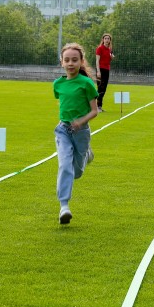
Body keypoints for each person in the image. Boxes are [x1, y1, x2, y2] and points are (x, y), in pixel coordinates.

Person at [53, 43, 99, 224]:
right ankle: (64, 206)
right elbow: (63, 102)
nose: (70, 63)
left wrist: (80, 121)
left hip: (81, 132)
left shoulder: (86, 83)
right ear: (62, 62)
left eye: (74, 60)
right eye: (67, 60)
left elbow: (94, 111)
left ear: (81, 62)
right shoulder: (57, 84)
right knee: (65, 166)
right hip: (63, 130)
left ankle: (86, 154)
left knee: (77, 172)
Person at [95, 33, 114, 113]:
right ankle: (96, 106)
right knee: (100, 88)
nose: (107, 40)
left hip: (107, 70)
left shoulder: (110, 50)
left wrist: (111, 57)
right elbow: (97, 61)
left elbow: (109, 60)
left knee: (104, 89)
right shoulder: (100, 48)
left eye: (108, 39)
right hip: (101, 69)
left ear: (110, 40)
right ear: (103, 40)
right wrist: (98, 71)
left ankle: (99, 106)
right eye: (105, 38)